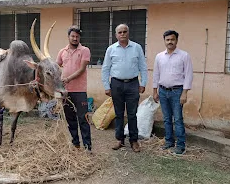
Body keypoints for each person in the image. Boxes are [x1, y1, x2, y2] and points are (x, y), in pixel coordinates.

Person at [101, 24, 148, 152]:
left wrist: (143, 83)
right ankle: (119, 140)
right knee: (119, 113)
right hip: (116, 84)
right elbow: (105, 68)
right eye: (120, 32)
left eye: (124, 31)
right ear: (116, 35)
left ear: (128, 33)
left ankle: (134, 141)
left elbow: (143, 67)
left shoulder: (137, 48)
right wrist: (106, 86)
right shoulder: (111, 49)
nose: (122, 34)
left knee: (132, 114)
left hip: (133, 84)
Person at [153, 30, 193, 155]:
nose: (170, 42)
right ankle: (169, 141)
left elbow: (188, 75)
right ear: (164, 41)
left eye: (172, 39)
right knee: (166, 119)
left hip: (177, 92)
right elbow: (156, 74)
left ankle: (180, 145)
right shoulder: (159, 56)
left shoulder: (184, 56)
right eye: (167, 39)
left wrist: (185, 93)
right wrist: (155, 91)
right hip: (163, 91)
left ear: (176, 40)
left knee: (178, 119)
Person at [57, 25, 92, 151]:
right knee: (70, 119)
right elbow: (57, 66)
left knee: (83, 119)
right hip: (66, 91)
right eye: (73, 36)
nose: (75, 38)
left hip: (80, 91)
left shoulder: (85, 50)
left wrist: (67, 79)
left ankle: (88, 147)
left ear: (79, 38)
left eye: (77, 36)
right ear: (68, 37)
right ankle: (76, 144)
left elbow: (82, 70)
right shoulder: (62, 52)